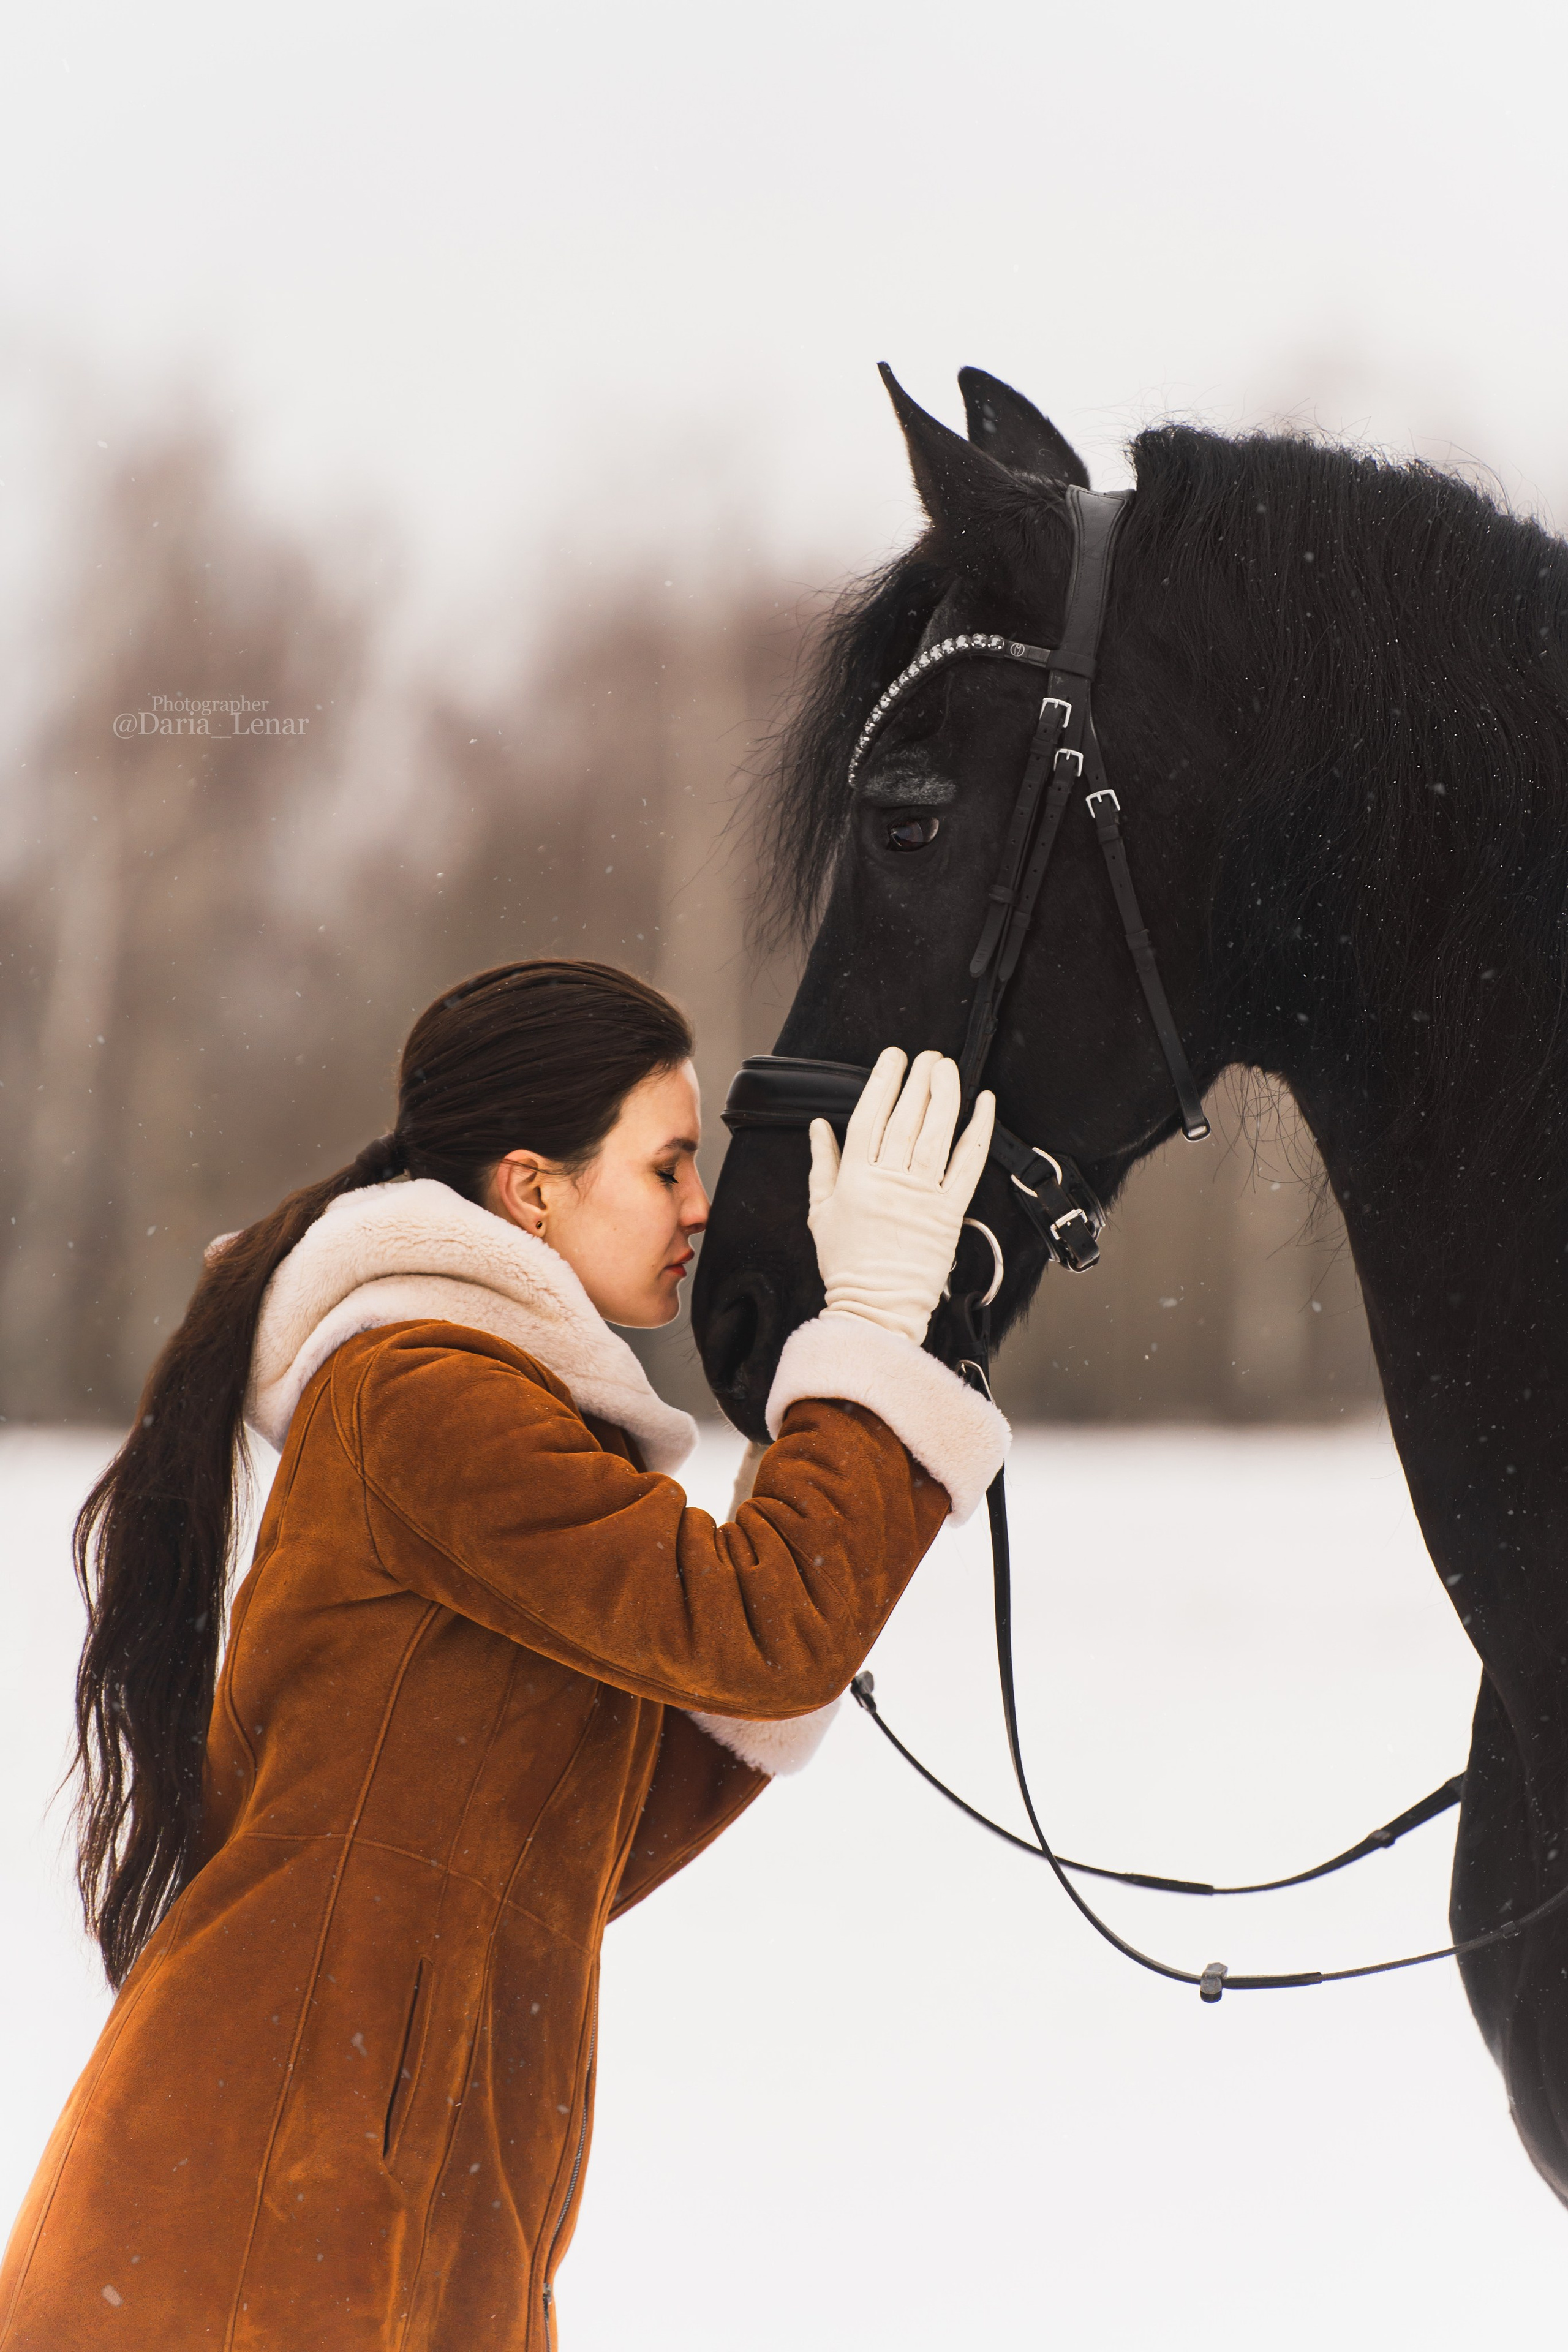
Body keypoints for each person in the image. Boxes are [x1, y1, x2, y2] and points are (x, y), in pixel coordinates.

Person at [0, 958, 1005, 2351]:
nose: (700, 1207)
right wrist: (871, 1339)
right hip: (255, 2236)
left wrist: (879, 1402)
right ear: (531, 1189)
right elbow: (760, 1631)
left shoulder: (501, 1427)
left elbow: (595, 1827)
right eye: (667, 1167)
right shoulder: (425, 1398)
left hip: (400, 2223)